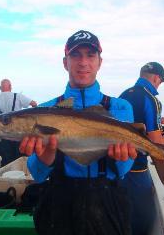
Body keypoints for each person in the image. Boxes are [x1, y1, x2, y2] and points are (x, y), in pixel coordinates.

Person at [19, 30, 137, 235]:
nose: (83, 62)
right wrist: (45, 159)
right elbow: (37, 176)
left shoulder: (120, 107)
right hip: (59, 204)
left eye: (90, 55)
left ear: (100, 62)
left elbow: (124, 169)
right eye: (76, 55)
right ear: (65, 62)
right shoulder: (45, 111)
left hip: (108, 203)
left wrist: (121, 159)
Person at [119, 62, 164, 234]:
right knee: (143, 218)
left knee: (120, 215)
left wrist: (157, 120)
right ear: (157, 78)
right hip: (136, 170)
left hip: (116, 167)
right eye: (160, 82)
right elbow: (155, 143)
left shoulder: (124, 95)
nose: (159, 85)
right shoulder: (151, 99)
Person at [0, 79, 37, 166]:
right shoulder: (18, 96)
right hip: (18, 134)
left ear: (0, 88)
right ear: (11, 86)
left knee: (8, 159)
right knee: (20, 157)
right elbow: (34, 104)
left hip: (4, 135)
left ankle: (9, 175)